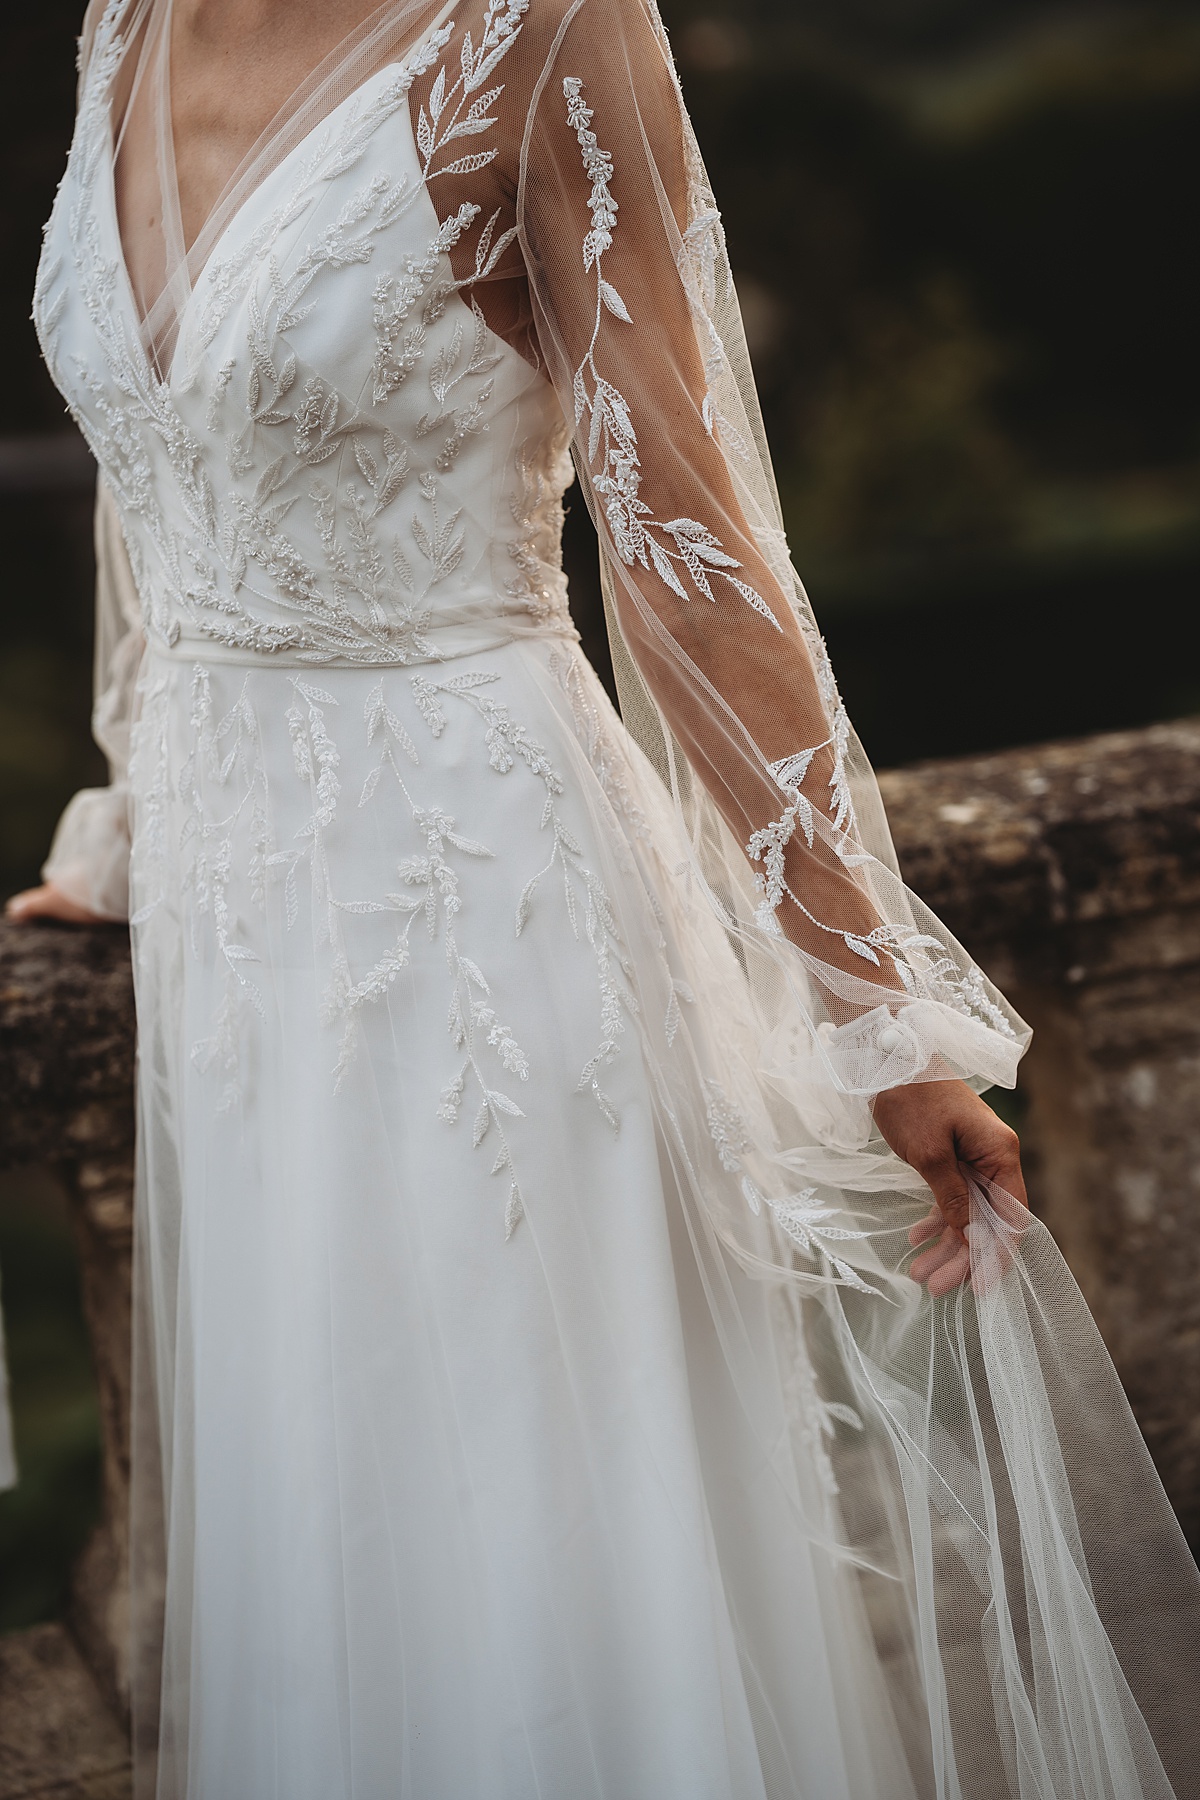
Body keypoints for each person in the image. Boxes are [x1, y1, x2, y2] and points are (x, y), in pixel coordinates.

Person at [10, 0, 1199, 1792]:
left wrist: (877, 1005)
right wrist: (122, 823)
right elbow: (155, 482)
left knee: (542, 1559)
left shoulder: (547, 27)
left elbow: (686, 538)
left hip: (487, 918)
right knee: (336, 1555)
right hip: (239, 969)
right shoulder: (125, 22)